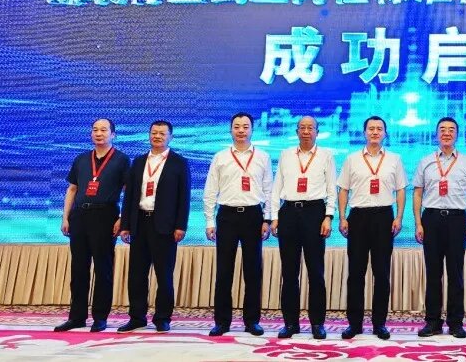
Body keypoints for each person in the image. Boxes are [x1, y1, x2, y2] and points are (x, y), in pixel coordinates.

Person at [55, 118, 130, 333]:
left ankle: (100, 317)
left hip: (105, 216)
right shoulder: (81, 159)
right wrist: (65, 217)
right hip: (79, 216)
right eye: (95, 130)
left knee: (103, 268)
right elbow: (72, 189)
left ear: (113, 134)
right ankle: (77, 317)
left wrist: (122, 219)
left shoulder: (122, 160)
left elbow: (128, 192)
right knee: (78, 268)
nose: (99, 133)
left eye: (104, 130)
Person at [203, 112, 274, 337]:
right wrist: (209, 221)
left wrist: (267, 219)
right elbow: (210, 190)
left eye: (245, 126)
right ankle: (221, 321)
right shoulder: (220, 157)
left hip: (253, 216)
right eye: (237, 126)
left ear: (252, 129)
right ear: (231, 130)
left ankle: (252, 321)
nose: (241, 130)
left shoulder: (262, 156)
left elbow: (269, 189)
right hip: (226, 216)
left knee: (253, 271)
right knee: (224, 271)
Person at [117, 120, 191, 333]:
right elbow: (130, 195)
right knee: (136, 274)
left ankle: (162, 318)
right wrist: (125, 224)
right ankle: (137, 317)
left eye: (162, 133)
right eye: (154, 132)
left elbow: (184, 197)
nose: (157, 136)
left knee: (164, 275)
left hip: (165, 226)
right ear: (149, 135)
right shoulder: (139, 161)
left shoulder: (179, 162)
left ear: (170, 137)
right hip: (140, 222)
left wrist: (180, 226)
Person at [337, 116, 407, 340]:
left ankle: (380, 324)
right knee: (355, 273)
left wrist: (399, 217)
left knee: (382, 273)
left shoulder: (394, 159)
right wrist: (342, 217)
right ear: (364, 132)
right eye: (371, 129)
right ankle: (354, 324)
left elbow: (401, 190)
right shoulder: (352, 159)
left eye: (379, 129)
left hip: (384, 217)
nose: (375, 132)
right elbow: (343, 189)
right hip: (358, 217)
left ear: (385, 133)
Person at [413, 117, 466, 339]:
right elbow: (417, 193)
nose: (447, 133)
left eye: (451, 130)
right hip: (431, 219)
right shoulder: (426, 161)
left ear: (457, 135)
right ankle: (432, 321)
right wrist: (418, 223)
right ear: (436, 134)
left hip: (457, 220)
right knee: (433, 273)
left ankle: (455, 322)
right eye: (442, 129)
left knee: (455, 273)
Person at [270, 116, 336, 340]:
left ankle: (317, 323)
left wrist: (328, 216)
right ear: (296, 131)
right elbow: (276, 186)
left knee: (316, 272)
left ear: (317, 131)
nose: (306, 131)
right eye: (302, 128)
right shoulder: (286, 154)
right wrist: (274, 216)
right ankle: (290, 323)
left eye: (311, 128)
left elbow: (332, 188)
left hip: (314, 213)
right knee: (289, 272)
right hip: (288, 212)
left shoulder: (326, 155)